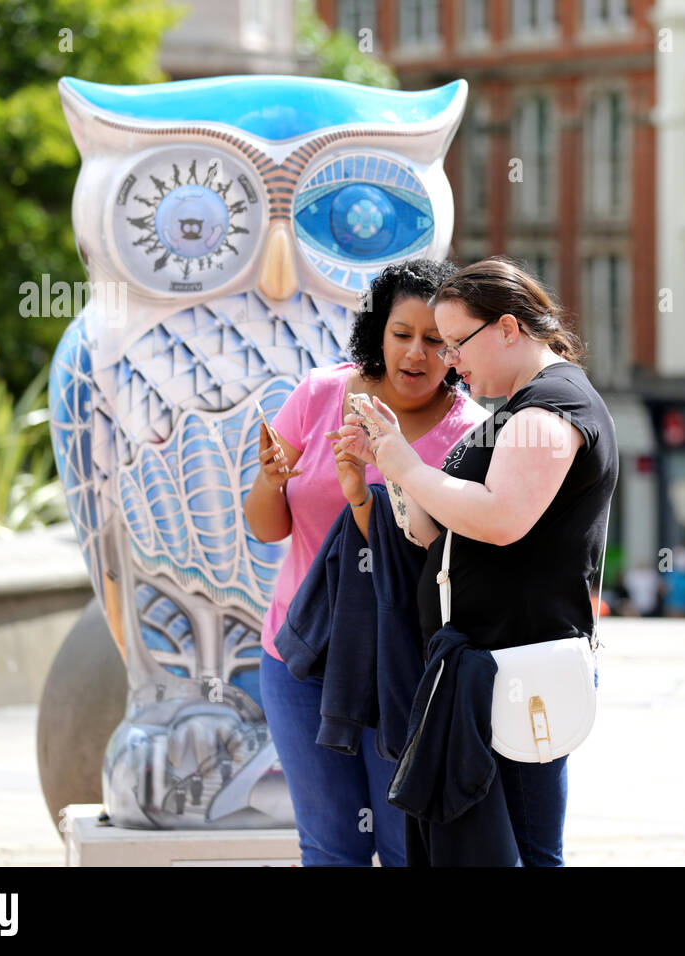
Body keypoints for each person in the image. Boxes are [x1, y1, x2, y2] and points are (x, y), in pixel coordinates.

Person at [335, 256, 619, 866]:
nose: (450, 362)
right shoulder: (523, 406)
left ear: (509, 329)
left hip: (517, 664)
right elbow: (431, 525)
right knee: (495, 846)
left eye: (456, 343)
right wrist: (391, 456)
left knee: (527, 849)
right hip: (487, 665)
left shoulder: (550, 408)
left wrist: (406, 466)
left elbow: (499, 518)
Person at [244, 259, 489, 866]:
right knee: (331, 846)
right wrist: (270, 482)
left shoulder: (472, 433)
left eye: (437, 340)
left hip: (404, 667)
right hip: (301, 656)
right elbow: (267, 528)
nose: (416, 353)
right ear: (378, 331)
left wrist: (367, 493)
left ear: (458, 350)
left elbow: (434, 558)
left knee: (402, 845)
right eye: (402, 333)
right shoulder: (321, 394)